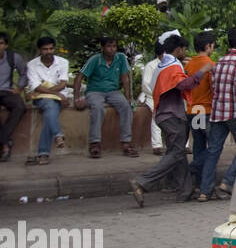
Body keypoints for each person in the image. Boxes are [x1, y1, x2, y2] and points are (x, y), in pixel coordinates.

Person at [130, 34, 211, 205]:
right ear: (179, 49)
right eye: (184, 49)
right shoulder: (173, 67)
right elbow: (183, 85)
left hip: (164, 114)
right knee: (175, 153)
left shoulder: (163, 65)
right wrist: (202, 71)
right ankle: (143, 181)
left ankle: (186, 191)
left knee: (178, 153)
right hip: (172, 115)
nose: (185, 52)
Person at [199, 26, 236, 202]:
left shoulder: (219, 62)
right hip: (232, 112)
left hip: (217, 112)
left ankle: (204, 191)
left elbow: (215, 88)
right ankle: (227, 182)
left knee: (213, 150)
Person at [73, 35, 137, 158]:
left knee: (126, 107)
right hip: (94, 91)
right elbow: (79, 77)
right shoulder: (95, 60)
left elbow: (125, 78)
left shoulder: (121, 58)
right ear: (102, 48)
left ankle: (126, 143)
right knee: (97, 108)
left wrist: (128, 97)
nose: (112, 49)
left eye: (114, 46)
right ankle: (95, 143)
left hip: (113, 91)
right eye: (109, 46)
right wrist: (76, 98)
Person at [25, 37, 70, 165]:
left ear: (54, 49)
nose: (48, 51)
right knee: (50, 105)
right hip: (42, 98)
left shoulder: (63, 62)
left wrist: (48, 92)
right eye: (45, 49)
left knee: (50, 112)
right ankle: (57, 134)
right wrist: (56, 94)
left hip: (52, 95)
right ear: (40, 50)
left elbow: (62, 84)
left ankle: (44, 154)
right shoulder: (32, 64)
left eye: (51, 48)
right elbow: (36, 86)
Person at [185, 30, 217, 189]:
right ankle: (191, 172)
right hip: (205, 110)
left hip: (193, 110)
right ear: (208, 46)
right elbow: (213, 87)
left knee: (198, 145)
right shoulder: (210, 65)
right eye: (213, 46)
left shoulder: (189, 64)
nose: (213, 48)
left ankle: (197, 181)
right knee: (213, 148)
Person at [0, 32, 28, 162]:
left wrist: (19, 88)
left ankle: (3, 139)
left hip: (7, 91)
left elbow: (24, 73)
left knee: (20, 106)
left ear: (5, 45)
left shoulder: (13, 57)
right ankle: (5, 144)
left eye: (0, 43)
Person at [138, 40, 164, 154]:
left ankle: (184, 145)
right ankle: (157, 145)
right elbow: (145, 85)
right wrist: (158, 94)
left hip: (168, 96)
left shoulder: (174, 64)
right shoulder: (151, 66)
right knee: (156, 112)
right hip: (151, 96)